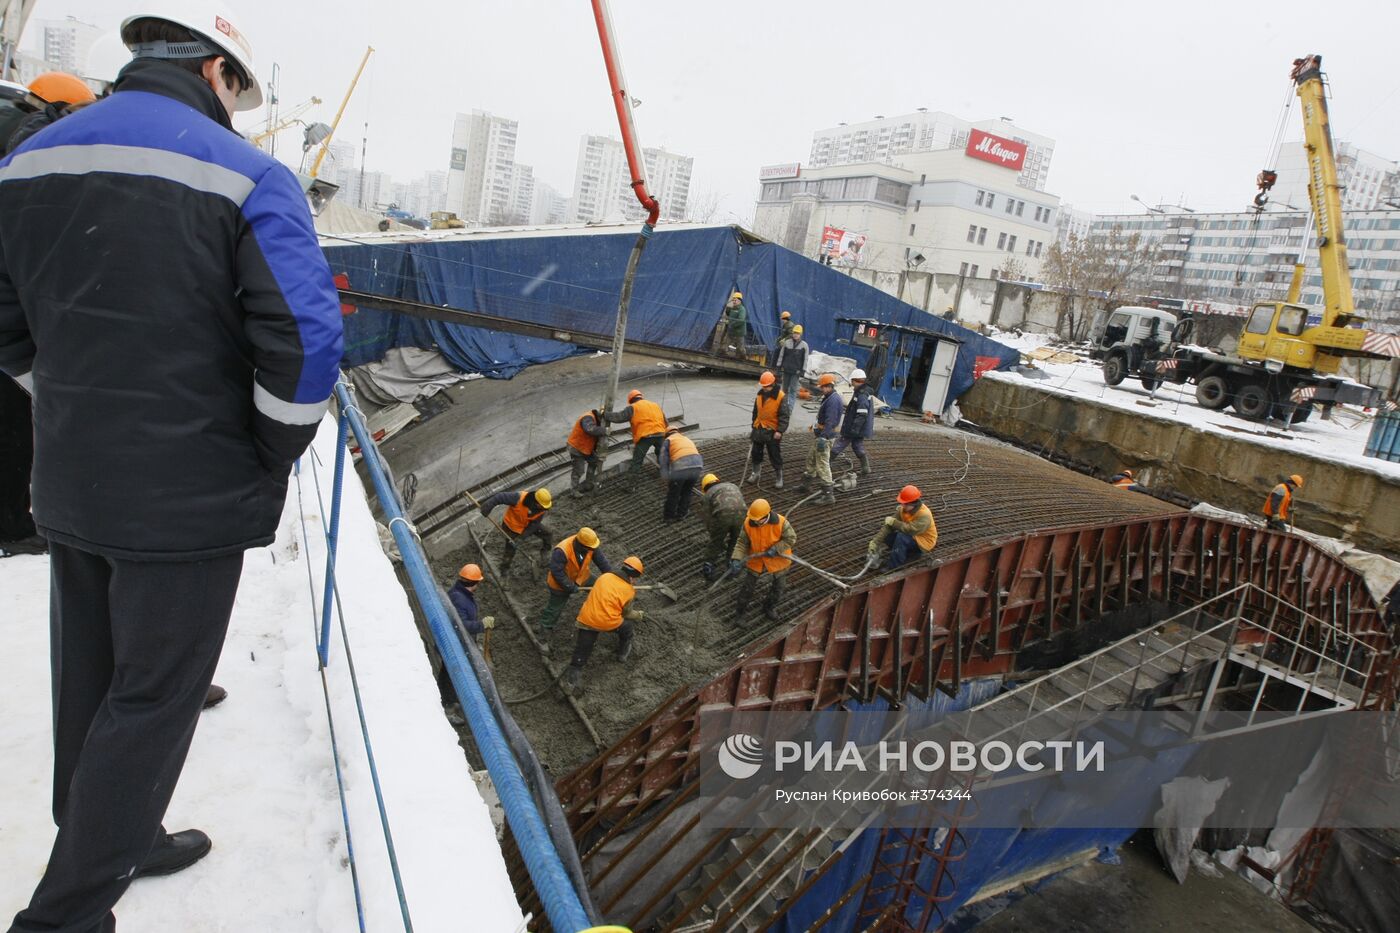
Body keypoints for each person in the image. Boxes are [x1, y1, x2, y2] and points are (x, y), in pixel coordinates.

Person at [0, 6, 345, 930]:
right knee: (153, 697)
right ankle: (66, 913)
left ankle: (119, 829)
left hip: (73, 480)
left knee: (91, 679)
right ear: (218, 74)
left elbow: (9, 321)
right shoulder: (248, 175)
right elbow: (307, 348)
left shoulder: (30, 160)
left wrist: (71, 407)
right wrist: (263, 448)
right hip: (187, 504)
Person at [564, 555, 646, 695]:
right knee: (627, 628)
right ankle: (622, 654)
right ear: (633, 577)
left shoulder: (604, 577)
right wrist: (638, 615)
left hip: (587, 619)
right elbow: (626, 613)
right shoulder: (629, 591)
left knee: (581, 652)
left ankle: (570, 683)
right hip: (607, 623)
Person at [535, 527, 611, 654]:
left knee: (601, 588)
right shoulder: (562, 550)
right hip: (560, 585)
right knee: (554, 610)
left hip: (582, 577)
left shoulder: (590, 545)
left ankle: (610, 611)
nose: (592, 550)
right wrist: (570, 587)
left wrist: (613, 578)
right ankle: (544, 635)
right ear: (581, 544)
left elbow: (602, 562)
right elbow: (556, 572)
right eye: (589, 548)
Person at [731, 498, 796, 623]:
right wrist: (736, 558)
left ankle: (769, 608)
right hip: (756, 560)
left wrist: (776, 549)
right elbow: (741, 543)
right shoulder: (748, 523)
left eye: (758, 520)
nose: (755, 522)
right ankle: (740, 614)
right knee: (747, 588)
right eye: (753, 519)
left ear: (767, 515)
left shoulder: (781, 522)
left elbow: (791, 539)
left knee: (778, 588)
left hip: (778, 560)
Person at [480, 487, 553, 571]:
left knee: (548, 533)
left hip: (526, 525)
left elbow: (535, 524)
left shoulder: (542, 508)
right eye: (542, 505)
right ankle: (504, 569)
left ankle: (545, 552)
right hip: (511, 527)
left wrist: (522, 537)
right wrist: (488, 505)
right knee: (510, 549)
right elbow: (500, 497)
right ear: (536, 501)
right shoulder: (518, 498)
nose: (543, 508)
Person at [868, 485, 938, 570]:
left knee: (901, 537)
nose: (902, 506)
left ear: (913, 504)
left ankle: (893, 566)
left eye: (905, 504)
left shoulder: (924, 515)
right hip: (911, 537)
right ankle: (908, 554)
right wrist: (875, 542)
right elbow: (889, 526)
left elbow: (910, 530)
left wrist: (894, 522)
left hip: (924, 542)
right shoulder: (904, 509)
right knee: (888, 535)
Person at [606, 388, 667, 483]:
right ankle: (662, 473)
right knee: (662, 455)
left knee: (637, 461)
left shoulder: (633, 407)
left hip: (645, 437)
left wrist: (605, 414)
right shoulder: (655, 405)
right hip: (660, 434)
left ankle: (631, 485)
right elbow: (665, 421)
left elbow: (619, 417)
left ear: (630, 400)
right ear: (641, 397)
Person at [799, 374, 843, 504]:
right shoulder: (829, 397)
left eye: (823, 387)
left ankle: (828, 495)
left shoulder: (833, 401)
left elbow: (831, 421)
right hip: (821, 435)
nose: (821, 389)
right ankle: (805, 485)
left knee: (822, 465)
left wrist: (823, 438)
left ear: (829, 386)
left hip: (825, 437)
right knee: (811, 459)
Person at [698, 473, 745, 581]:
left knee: (715, 542)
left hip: (722, 516)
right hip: (742, 515)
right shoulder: (733, 486)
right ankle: (733, 566)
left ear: (705, 487)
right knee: (736, 541)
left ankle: (708, 567)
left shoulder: (707, 495)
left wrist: (715, 535)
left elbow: (708, 518)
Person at [746, 371, 789, 489]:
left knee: (774, 455)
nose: (765, 388)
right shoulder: (759, 395)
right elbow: (755, 412)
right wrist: (753, 426)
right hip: (759, 429)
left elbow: (784, 416)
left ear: (773, 384)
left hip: (772, 431)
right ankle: (755, 473)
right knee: (756, 453)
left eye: (767, 386)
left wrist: (780, 431)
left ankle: (779, 476)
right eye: (763, 386)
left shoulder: (781, 396)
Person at [830, 368, 876, 478]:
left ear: (855, 381)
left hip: (855, 427)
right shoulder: (862, 392)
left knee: (840, 444)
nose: (851, 384)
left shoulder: (862, 394)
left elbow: (862, 413)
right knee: (857, 445)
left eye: (852, 381)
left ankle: (825, 465)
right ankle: (865, 468)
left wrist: (854, 429)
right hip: (860, 427)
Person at [659, 427, 704, 522]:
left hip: (682, 467)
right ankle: (681, 514)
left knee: (674, 492)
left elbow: (663, 459)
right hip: (697, 466)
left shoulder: (668, 440)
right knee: (687, 491)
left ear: (667, 434)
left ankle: (669, 516)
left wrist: (665, 474)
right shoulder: (686, 438)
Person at [447, 563, 495, 640]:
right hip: (458, 640)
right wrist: (482, 625)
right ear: (474, 583)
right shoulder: (459, 599)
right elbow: (461, 625)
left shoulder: (461, 593)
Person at [567, 408, 607, 496]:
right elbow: (590, 429)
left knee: (593, 461)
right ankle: (573, 491)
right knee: (579, 470)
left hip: (585, 448)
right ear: (600, 416)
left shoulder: (598, 421)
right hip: (576, 447)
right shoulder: (588, 417)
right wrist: (604, 431)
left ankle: (588, 484)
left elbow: (596, 440)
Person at [774, 324, 809, 399]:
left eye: (797, 333)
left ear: (800, 334)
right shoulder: (787, 343)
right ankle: (783, 405)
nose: (795, 335)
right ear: (792, 333)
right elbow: (781, 355)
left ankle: (789, 409)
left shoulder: (804, 346)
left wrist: (803, 370)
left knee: (793, 390)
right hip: (786, 370)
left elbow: (805, 359)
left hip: (796, 371)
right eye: (794, 333)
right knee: (784, 389)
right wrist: (778, 366)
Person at [717, 290, 747, 358]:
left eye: (735, 300)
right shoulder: (733, 308)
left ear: (740, 301)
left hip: (739, 332)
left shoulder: (742, 309)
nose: (734, 301)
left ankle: (743, 357)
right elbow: (729, 314)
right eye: (733, 300)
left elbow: (741, 320)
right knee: (725, 343)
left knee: (740, 348)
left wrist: (732, 324)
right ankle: (723, 354)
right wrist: (727, 308)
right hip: (731, 330)